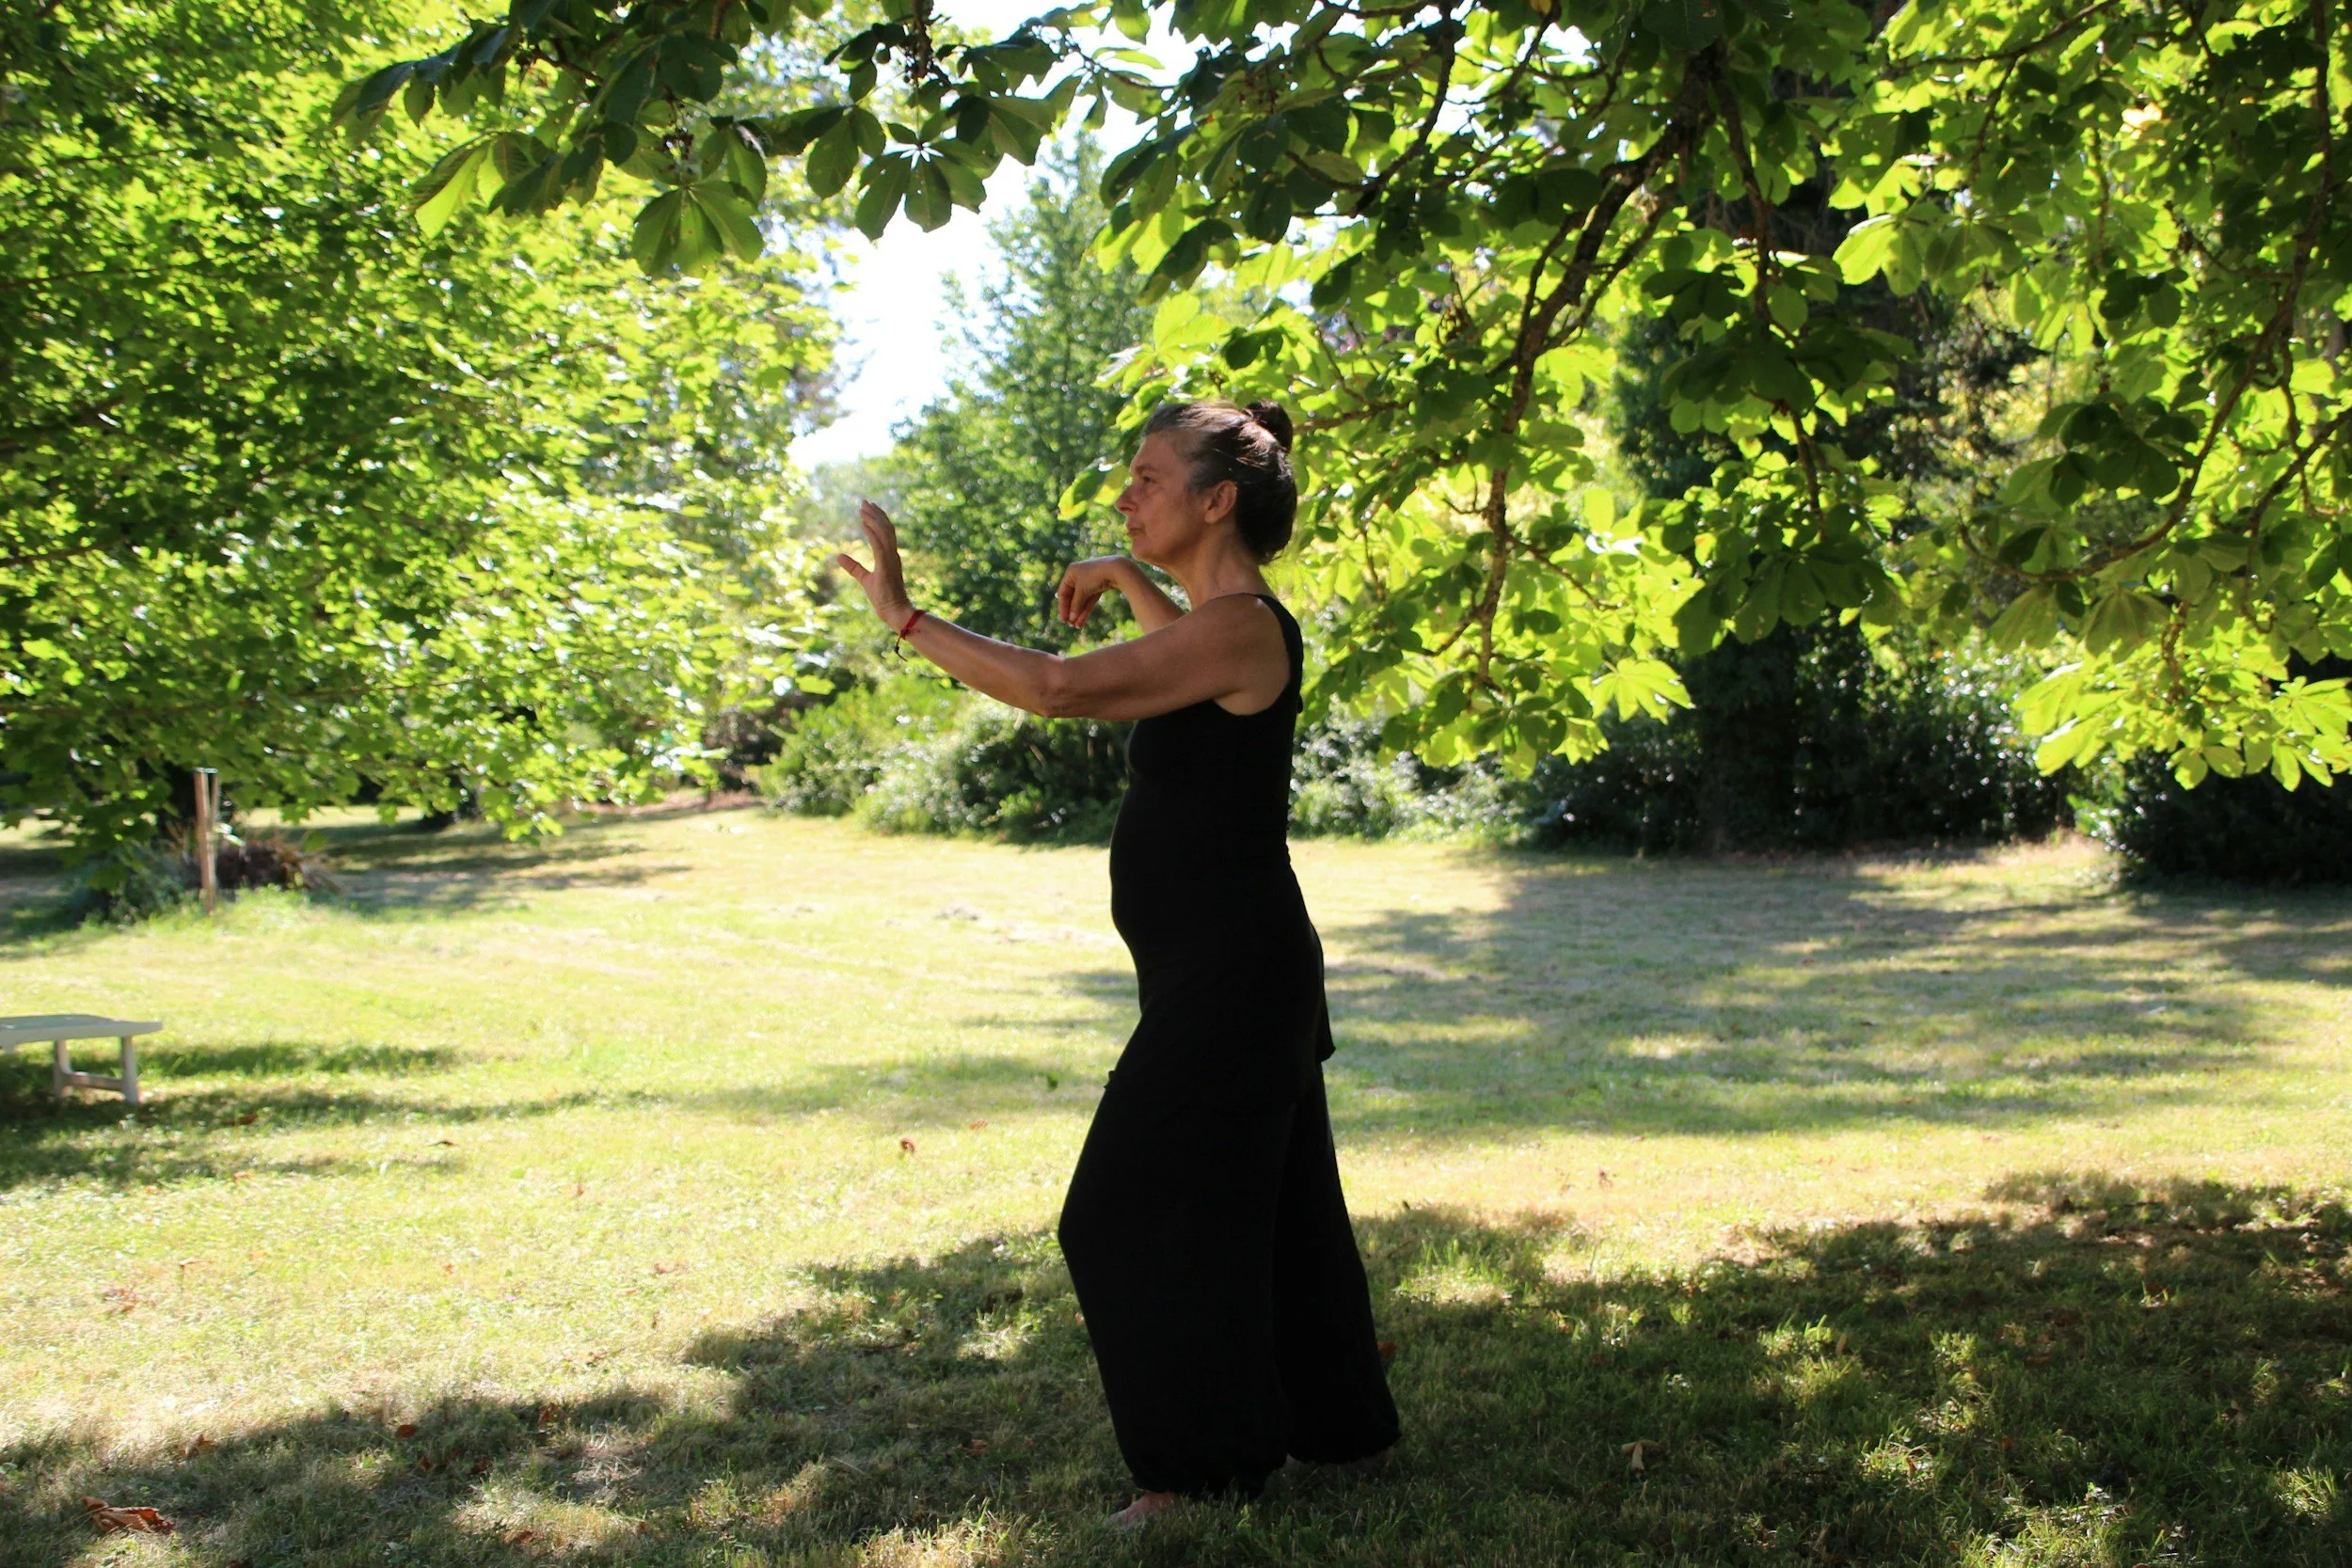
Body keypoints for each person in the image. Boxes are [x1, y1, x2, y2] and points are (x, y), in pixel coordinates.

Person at [834, 397, 1400, 1528]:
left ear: (1217, 498)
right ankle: (1333, 1428)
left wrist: (906, 618)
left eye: (1147, 477)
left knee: (1123, 1214)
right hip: (1228, 968)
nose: (1126, 494)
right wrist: (1129, 573)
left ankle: (1199, 1475)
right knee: (1275, 1205)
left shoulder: (1243, 628)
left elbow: (1064, 687)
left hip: (1235, 978)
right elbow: (1160, 645)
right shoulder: (1222, 623)